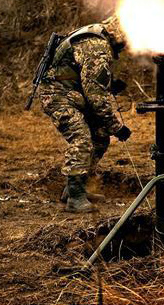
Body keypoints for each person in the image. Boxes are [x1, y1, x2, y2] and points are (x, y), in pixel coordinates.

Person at [39, 16, 131, 213]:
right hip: (58, 97)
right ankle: (75, 197)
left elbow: (88, 78)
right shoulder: (97, 46)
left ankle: (73, 188)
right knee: (81, 140)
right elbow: (96, 97)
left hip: (73, 94)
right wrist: (117, 127)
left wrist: (110, 83)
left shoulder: (98, 35)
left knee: (100, 137)